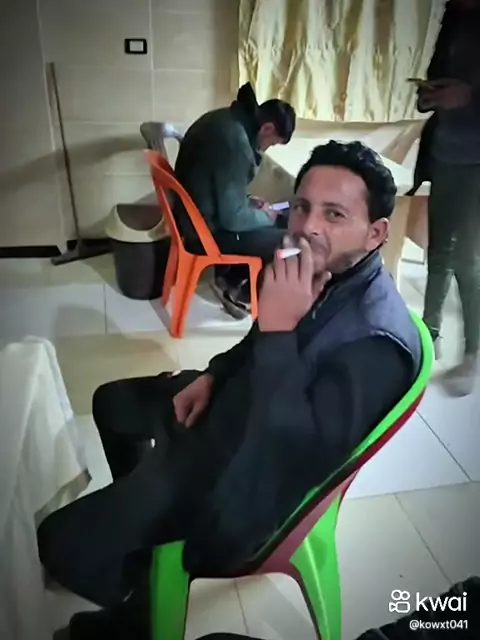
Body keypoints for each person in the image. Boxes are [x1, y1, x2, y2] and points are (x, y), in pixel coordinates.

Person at [38, 141, 422, 639]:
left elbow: (298, 454)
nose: (307, 226)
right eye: (302, 206)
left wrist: (279, 330)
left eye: (334, 214)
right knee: (111, 403)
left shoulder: (376, 344)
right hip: (228, 411)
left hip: (239, 478)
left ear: (375, 233)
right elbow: (255, 343)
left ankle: (139, 609)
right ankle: (139, 534)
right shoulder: (314, 266)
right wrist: (213, 376)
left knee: (57, 543)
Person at [173, 82, 296, 318]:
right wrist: (266, 215)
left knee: (278, 218)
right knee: (288, 239)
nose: (267, 149)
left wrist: (247, 200)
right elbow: (233, 220)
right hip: (204, 233)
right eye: (272, 143)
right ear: (267, 128)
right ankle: (239, 294)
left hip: (192, 217)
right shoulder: (236, 143)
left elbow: (215, 181)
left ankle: (228, 278)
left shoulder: (224, 118)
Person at [410, 0, 480, 396]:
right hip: (444, 154)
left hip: (477, 163)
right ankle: (428, 336)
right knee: (437, 253)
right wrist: (429, 95)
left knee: (468, 260)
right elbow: (435, 81)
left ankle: (473, 354)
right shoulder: (454, 17)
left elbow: (467, 94)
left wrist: (468, 98)